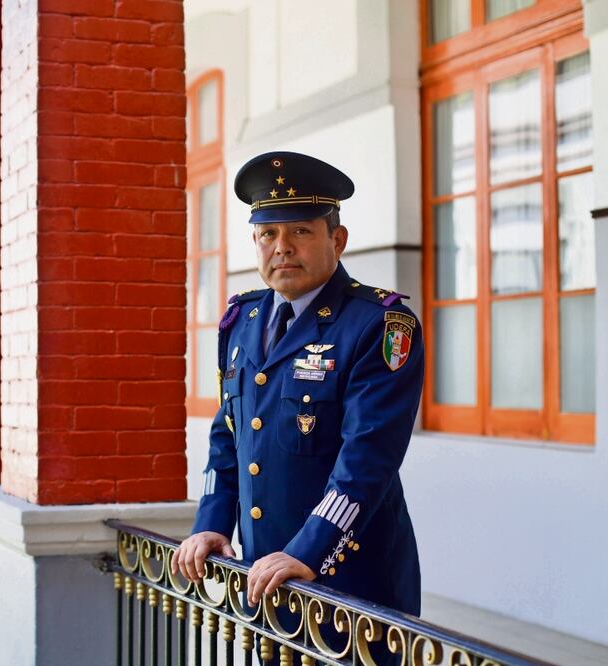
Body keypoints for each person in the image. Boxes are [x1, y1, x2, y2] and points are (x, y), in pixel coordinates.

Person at [171, 151, 425, 624]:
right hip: (260, 576)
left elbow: (368, 458)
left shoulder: (379, 325)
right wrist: (211, 524)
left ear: (338, 239)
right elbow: (229, 436)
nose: (282, 247)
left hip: (348, 583)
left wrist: (310, 549)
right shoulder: (241, 320)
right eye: (269, 233)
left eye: (301, 231)